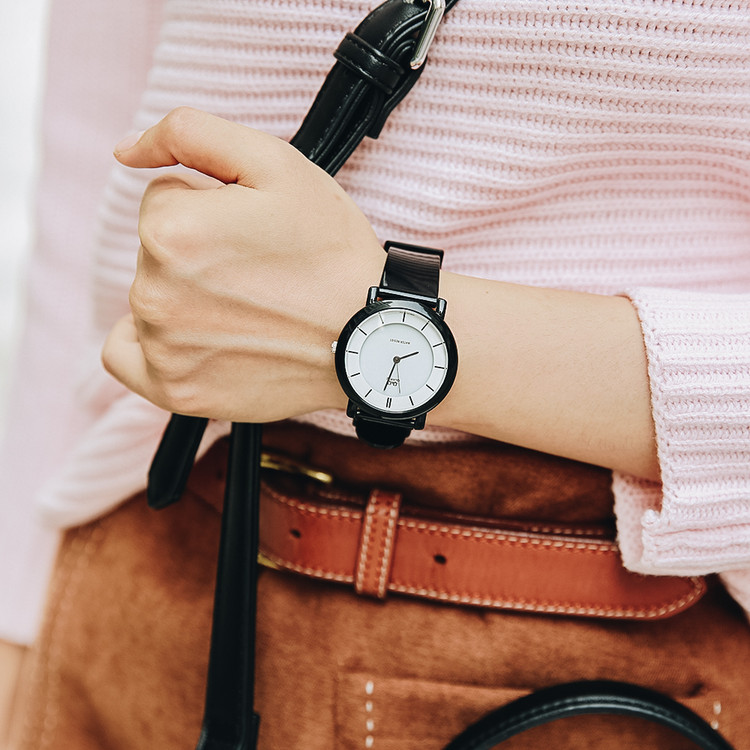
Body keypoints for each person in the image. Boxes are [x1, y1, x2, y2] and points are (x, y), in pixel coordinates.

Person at [2, 0, 750, 748]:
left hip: (581, 621)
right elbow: (88, 172)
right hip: (135, 560)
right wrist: (19, 604)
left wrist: (360, 324)